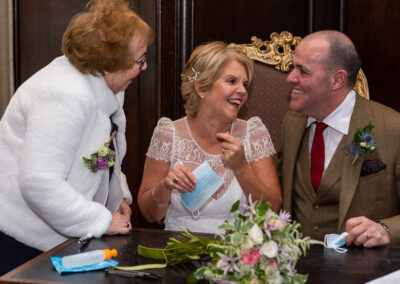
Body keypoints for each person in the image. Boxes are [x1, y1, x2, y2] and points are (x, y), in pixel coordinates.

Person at [0, 0, 154, 274]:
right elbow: (39, 184)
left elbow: (99, 154)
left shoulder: (106, 88)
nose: (143, 68)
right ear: (109, 63)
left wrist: (116, 197)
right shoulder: (64, 95)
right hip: (22, 242)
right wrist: (100, 219)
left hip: (62, 236)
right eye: (139, 60)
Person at [138, 41, 282, 233]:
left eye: (245, 84)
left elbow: (272, 209)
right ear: (202, 88)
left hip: (239, 254)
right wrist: (165, 186)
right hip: (180, 253)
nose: (243, 91)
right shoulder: (168, 134)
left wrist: (242, 168)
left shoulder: (254, 134)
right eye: (232, 81)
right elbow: (150, 214)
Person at [279, 30, 400, 248]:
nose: (290, 77)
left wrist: (386, 229)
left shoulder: (393, 128)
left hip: (364, 270)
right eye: (292, 67)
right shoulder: (292, 123)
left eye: (302, 71)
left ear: (337, 79)